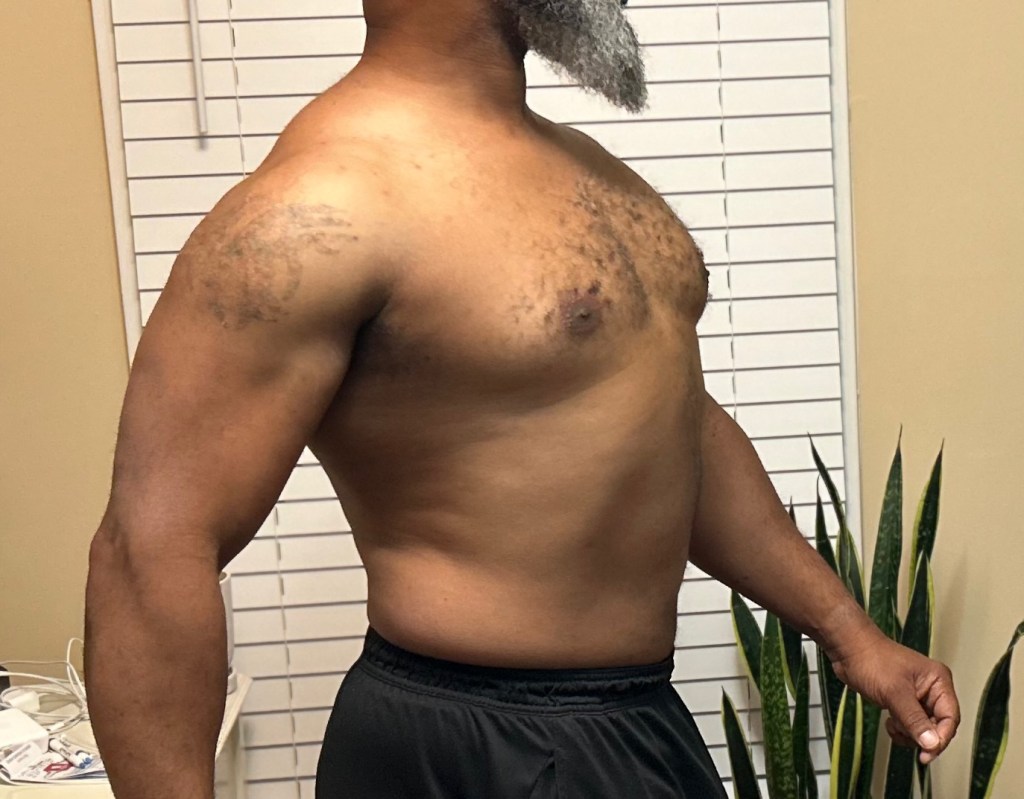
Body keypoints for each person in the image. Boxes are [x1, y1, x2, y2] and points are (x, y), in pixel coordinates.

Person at [84, 0, 960, 796]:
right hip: (469, 745)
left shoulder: (588, 169)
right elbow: (149, 544)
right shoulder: (318, 205)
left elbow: (676, 430)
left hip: (635, 722)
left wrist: (850, 633)